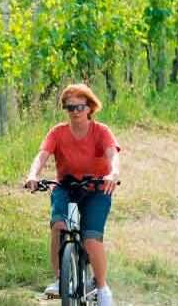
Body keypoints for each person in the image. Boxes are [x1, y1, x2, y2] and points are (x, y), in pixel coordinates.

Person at [24, 84, 120, 306]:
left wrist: (113, 174)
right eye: (70, 108)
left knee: (91, 238)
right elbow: (42, 156)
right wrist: (33, 175)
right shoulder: (57, 132)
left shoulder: (101, 131)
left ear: (90, 108)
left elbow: (112, 155)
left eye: (80, 107)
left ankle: (102, 288)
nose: (75, 112)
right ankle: (60, 279)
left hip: (97, 188)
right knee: (59, 226)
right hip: (65, 187)